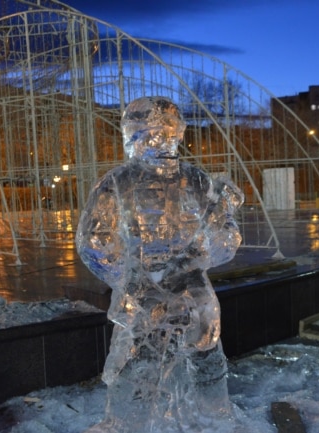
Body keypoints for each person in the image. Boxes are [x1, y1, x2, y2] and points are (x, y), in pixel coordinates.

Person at [76, 96, 244, 432]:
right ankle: (209, 419)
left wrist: (131, 280)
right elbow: (225, 242)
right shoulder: (188, 181)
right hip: (179, 294)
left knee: (156, 364)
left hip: (165, 295)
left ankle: (187, 420)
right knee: (186, 362)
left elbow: (94, 244)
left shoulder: (130, 181)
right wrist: (136, 280)